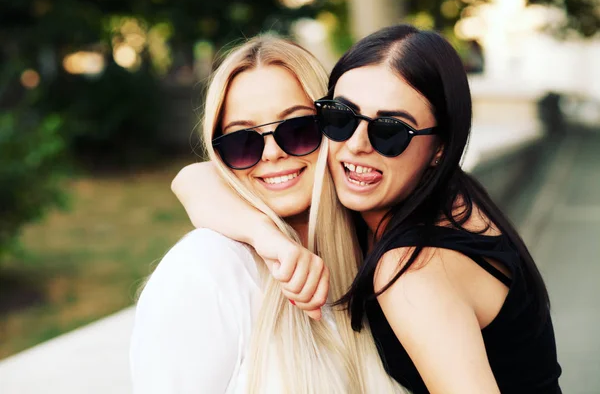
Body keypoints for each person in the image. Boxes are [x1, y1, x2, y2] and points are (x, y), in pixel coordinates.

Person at [172, 25, 562, 393]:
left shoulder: (411, 269)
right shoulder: (450, 200)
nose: (358, 144)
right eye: (341, 118)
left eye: (390, 130)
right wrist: (267, 237)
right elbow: (194, 179)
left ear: (439, 149)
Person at [130, 35, 403, 394]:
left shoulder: (378, 254)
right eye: (243, 141)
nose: (272, 153)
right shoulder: (205, 271)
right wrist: (266, 236)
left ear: (335, 128)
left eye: (298, 129)